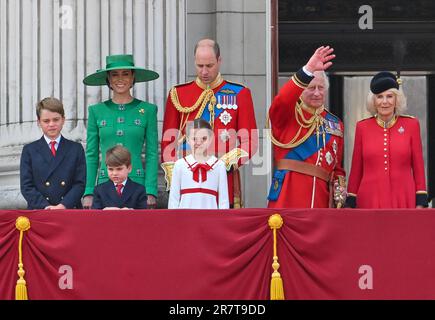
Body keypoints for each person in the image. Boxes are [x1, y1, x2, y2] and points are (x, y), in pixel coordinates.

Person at [161, 39, 258, 208]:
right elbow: (168, 141)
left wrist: (223, 163)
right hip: (186, 176)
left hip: (223, 176)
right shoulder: (178, 94)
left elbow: (250, 141)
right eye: (199, 66)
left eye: (209, 65)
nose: (204, 71)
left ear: (219, 61)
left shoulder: (239, 93)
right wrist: (174, 173)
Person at [267, 46, 346, 208]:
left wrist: (339, 194)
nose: (317, 93)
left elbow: (337, 168)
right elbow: (282, 100)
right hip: (288, 196)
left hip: (321, 200)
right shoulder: (287, 114)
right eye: (311, 88)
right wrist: (308, 70)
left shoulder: (335, 123)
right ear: (301, 90)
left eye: (321, 88)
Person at [82, 54, 159, 209]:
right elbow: (91, 153)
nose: (120, 79)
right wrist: (89, 190)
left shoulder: (148, 110)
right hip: (104, 185)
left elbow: (152, 153)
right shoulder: (96, 111)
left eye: (126, 74)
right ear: (108, 79)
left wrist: (150, 189)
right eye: (114, 75)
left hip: (137, 185)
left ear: (132, 78)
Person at [345, 71, 428, 208]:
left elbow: (418, 167)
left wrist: (420, 200)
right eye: (379, 97)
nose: (385, 102)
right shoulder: (362, 127)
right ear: (373, 101)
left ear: (397, 100)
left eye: (389, 96)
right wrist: (351, 200)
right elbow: (356, 169)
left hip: (403, 197)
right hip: (369, 198)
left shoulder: (411, 125)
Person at [20, 97, 86, 209]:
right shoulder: (29, 150)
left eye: (56, 120)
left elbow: (79, 184)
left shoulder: (76, 149)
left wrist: (63, 205)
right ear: (39, 122)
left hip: (69, 210)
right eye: (46, 121)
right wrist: (45, 206)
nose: (51, 124)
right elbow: (26, 186)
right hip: (40, 210)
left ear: (63, 120)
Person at [168, 119, 229, 209]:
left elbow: (224, 201)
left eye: (204, 138)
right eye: (194, 139)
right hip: (185, 220)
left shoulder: (219, 166)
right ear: (188, 139)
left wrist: (222, 222)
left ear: (211, 139)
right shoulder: (179, 165)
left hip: (211, 220)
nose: (199, 143)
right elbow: (173, 199)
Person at [92, 145, 148, 210]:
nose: (114, 173)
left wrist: (132, 212)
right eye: (110, 169)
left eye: (119, 169)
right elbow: (95, 216)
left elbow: (143, 215)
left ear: (129, 168)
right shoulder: (99, 190)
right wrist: (104, 211)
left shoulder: (139, 190)